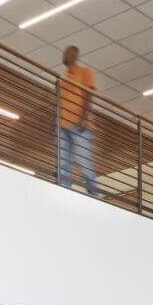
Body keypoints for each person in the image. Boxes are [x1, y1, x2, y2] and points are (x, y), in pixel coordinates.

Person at [55, 45, 98, 197]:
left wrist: (84, 118)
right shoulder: (63, 78)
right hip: (62, 125)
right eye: (64, 52)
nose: (64, 55)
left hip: (79, 124)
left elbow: (88, 95)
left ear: (75, 55)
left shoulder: (85, 72)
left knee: (82, 159)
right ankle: (63, 188)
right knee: (62, 161)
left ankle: (94, 193)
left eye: (68, 52)